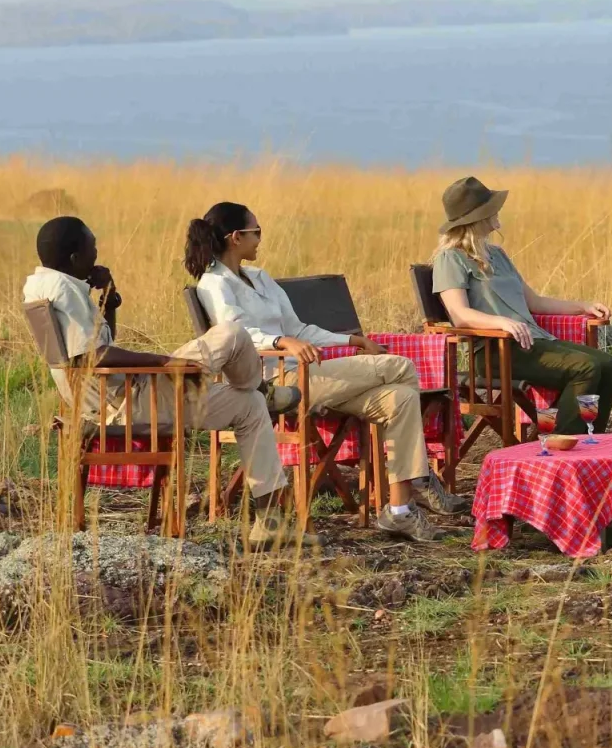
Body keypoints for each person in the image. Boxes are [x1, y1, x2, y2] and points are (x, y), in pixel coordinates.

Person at [188, 202, 468, 543]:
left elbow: (300, 329)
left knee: (402, 397)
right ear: (235, 238)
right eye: (256, 232)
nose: (261, 239)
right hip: (273, 380)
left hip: (307, 372)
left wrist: (352, 340)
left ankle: (398, 511)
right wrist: (281, 341)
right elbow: (233, 334)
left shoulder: (260, 278)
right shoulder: (214, 284)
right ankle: (420, 478)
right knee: (402, 366)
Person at [24, 215, 308, 549]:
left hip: (119, 396)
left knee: (250, 406)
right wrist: (163, 361)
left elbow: (95, 344)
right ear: (74, 258)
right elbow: (90, 357)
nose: (97, 254)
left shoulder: (43, 284)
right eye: (92, 248)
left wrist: (108, 298)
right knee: (232, 334)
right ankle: (262, 386)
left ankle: (270, 522)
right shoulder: (63, 289)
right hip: (129, 402)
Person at [430, 176, 612, 433]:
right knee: (586, 368)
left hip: (531, 342)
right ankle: (561, 442)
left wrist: (582, 306)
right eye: (492, 208)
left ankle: (589, 437)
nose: (498, 211)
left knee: (610, 366)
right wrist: (501, 322)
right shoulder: (450, 259)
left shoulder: (497, 254)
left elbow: (534, 301)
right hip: (496, 352)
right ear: (478, 217)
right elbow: (460, 315)